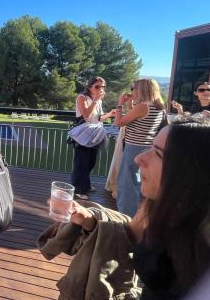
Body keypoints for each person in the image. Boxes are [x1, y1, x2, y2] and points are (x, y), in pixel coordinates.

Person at [68, 119, 210, 299]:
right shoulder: (154, 205)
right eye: (150, 147)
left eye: (158, 154)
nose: (138, 158)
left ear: (191, 171)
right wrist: (88, 219)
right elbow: (130, 233)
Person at [114, 78, 165, 217]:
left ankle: (125, 216)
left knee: (127, 181)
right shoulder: (157, 105)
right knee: (138, 181)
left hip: (134, 148)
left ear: (142, 89)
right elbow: (138, 118)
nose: (132, 91)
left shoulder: (143, 106)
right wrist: (130, 104)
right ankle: (139, 214)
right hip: (146, 147)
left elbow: (118, 123)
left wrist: (119, 105)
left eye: (134, 88)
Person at [71, 77, 116, 200]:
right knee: (81, 163)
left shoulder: (98, 100)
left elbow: (99, 117)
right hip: (84, 135)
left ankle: (86, 185)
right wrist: (95, 100)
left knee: (91, 162)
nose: (100, 89)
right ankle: (78, 189)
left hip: (95, 134)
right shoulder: (82, 97)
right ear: (89, 87)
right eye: (97, 86)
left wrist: (110, 114)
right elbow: (86, 115)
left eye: (103, 87)